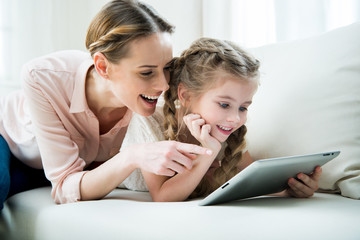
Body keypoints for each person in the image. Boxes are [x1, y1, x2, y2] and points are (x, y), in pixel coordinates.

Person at [0, 0, 212, 210]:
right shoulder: (43, 77)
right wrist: (132, 156)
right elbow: (64, 187)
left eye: (167, 67)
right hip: (11, 147)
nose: (164, 85)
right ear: (103, 66)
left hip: (60, 171)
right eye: (146, 72)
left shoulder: (156, 97)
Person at [119, 37, 322, 201]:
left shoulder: (225, 129)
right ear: (186, 95)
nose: (234, 118)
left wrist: (290, 190)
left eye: (243, 107)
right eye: (224, 104)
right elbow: (163, 197)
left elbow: (249, 181)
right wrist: (208, 152)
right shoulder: (149, 121)